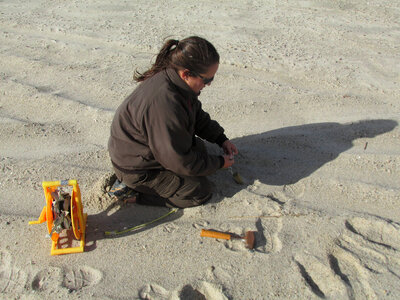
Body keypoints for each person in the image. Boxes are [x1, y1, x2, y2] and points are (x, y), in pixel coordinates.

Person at [108, 36, 238, 208]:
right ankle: (131, 194)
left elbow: (196, 115)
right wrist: (220, 163)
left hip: (148, 152)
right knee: (200, 190)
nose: (209, 84)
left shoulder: (177, 82)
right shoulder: (165, 104)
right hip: (138, 170)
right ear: (186, 74)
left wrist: (221, 139)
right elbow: (180, 161)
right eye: (207, 80)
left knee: (200, 149)